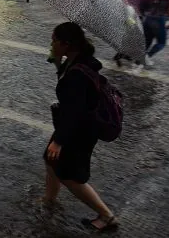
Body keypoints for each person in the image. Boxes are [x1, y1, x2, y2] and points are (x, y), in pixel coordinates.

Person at [44, 22, 118, 232]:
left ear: (66, 44)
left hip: (78, 131)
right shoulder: (79, 61)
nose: (51, 43)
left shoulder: (77, 73)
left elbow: (73, 111)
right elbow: (68, 91)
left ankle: (107, 216)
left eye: (54, 40)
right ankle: (48, 200)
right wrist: (58, 63)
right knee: (50, 161)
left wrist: (59, 141)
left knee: (70, 176)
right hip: (75, 127)